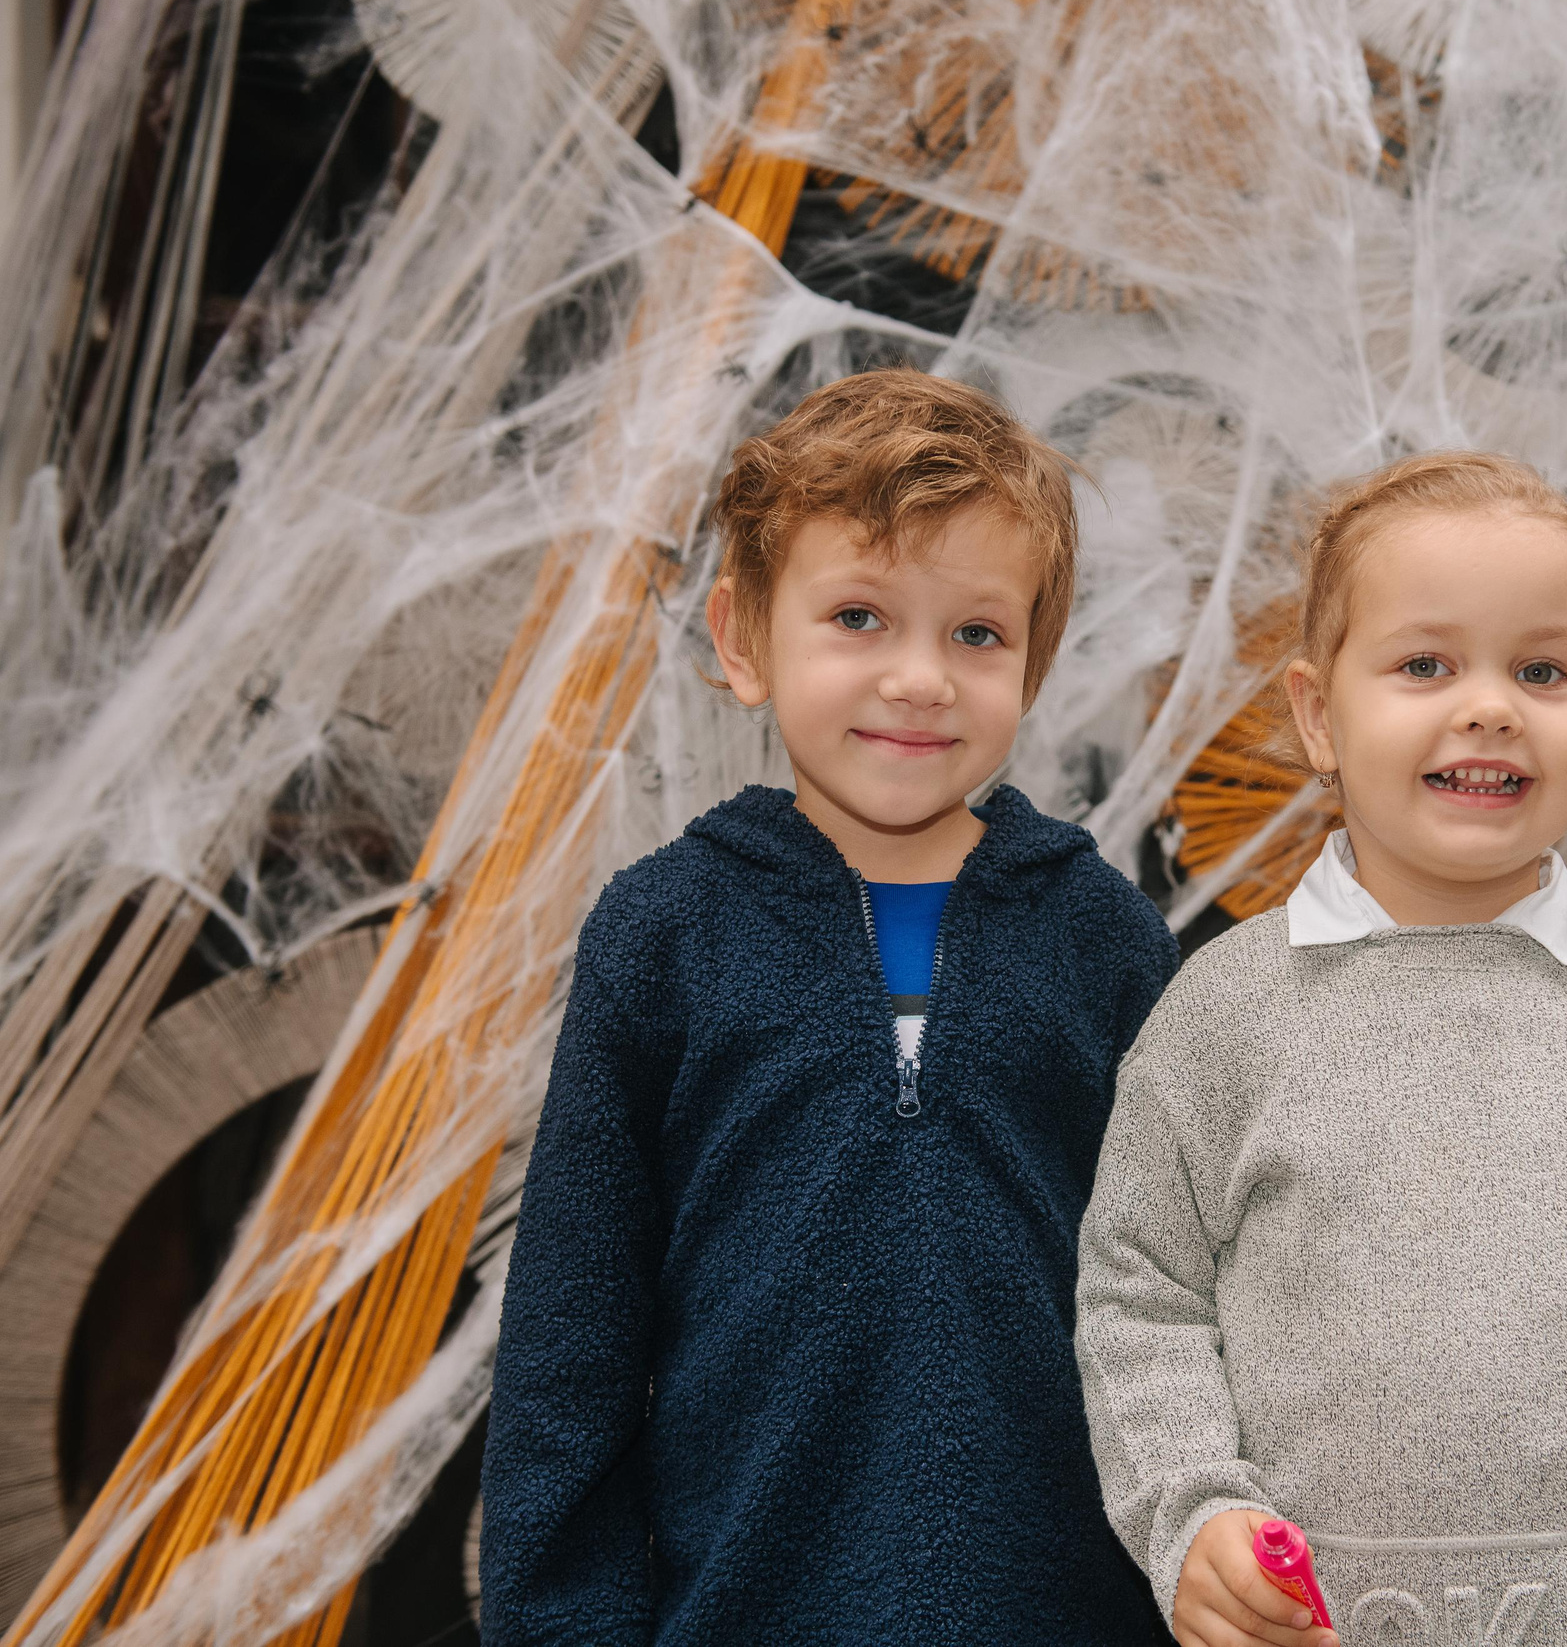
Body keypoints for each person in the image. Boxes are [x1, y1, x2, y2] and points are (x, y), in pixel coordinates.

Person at [1074, 452, 1567, 1647]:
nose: (1489, 706)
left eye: (1543, 669)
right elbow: (1140, 1298)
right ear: (1319, 715)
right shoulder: (1223, 1016)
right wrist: (1194, 1511)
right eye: (1425, 665)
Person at [480, 368, 1179, 1645]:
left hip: (1067, 1607)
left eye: (976, 634)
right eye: (859, 616)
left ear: (1032, 662)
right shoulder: (664, 935)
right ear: (740, 640)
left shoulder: (1106, 941)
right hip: (746, 1607)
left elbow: (1185, 1302)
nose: (920, 679)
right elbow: (568, 1348)